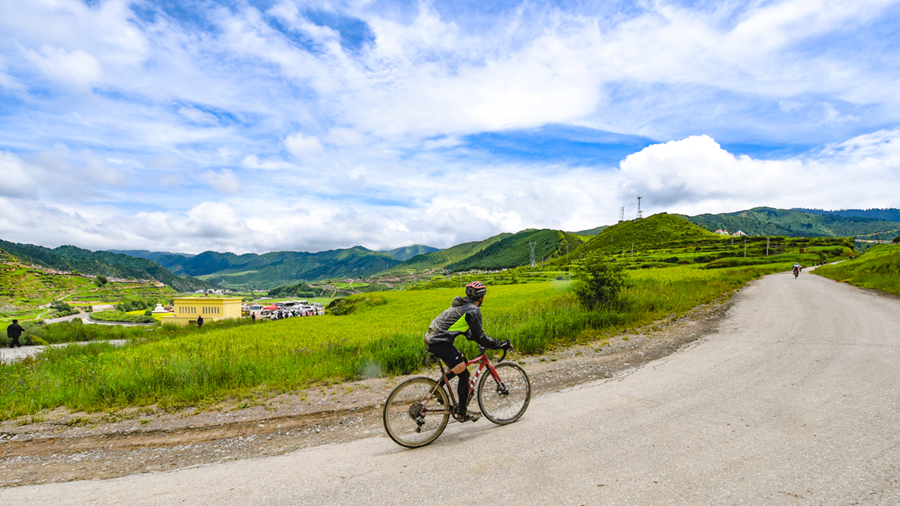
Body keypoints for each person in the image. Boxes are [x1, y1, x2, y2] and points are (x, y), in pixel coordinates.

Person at [423, 281, 511, 423]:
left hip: (432, 339)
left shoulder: (461, 306)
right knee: (464, 374)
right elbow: (480, 337)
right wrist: (500, 344)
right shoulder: (473, 310)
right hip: (439, 342)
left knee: (461, 362)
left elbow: (469, 333)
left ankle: (438, 389)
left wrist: (485, 343)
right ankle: (462, 413)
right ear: (482, 297)